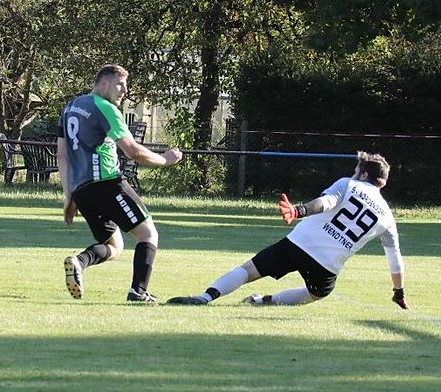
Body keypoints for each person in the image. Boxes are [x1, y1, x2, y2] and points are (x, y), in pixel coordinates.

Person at [167, 151, 409, 309]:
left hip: (299, 243)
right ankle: (263, 301)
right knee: (317, 294)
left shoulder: (349, 184)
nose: (353, 174)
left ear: (364, 174)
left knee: (249, 270)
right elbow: (395, 259)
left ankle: (206, 297)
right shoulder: (388, 217)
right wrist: (398, 292)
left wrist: (299, 211)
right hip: (327, 265)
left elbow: (326, 202)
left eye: (356, 171)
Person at [57, 64, 183, 303]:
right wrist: (165, 160)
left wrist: (69, 195)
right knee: (148, 234)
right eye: (120, 84)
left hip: (82, 190)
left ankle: (79, 261)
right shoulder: (105, 108)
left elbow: (62, 155)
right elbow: (133, 151)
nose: (125, 90)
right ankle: (139, 292)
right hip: (107, 184)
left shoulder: (70, 107)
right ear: (103, 82)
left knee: (114, 245)